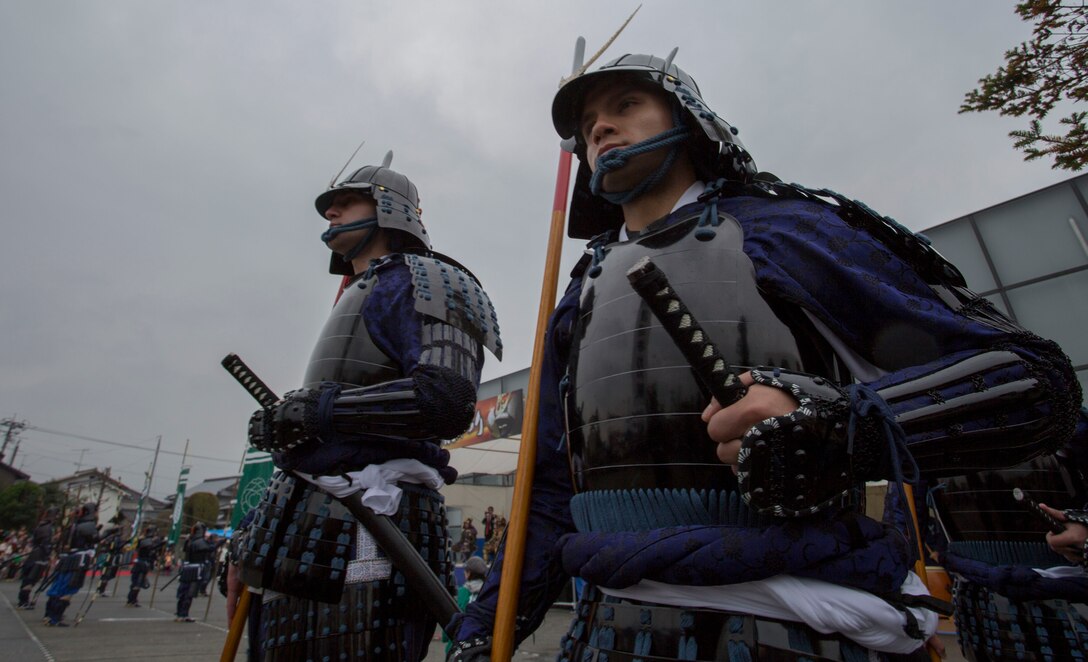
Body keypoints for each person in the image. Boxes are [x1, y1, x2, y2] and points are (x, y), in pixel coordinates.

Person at [448, 51, 1086, 661]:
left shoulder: (784, 228)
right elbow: (552, 487)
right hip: (602, 627)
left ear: (690, 119)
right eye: (587, 127)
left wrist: (836, 426)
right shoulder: (581, 287)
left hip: (792, 629)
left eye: (626, 103)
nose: (600, 128)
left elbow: (1036, 382)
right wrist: (485, 623)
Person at [237, 149, 501, 660]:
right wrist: (286, 423)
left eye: (347, 202)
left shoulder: (431, 280)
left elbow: (445, 401)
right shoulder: (360, 289)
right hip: (297, 520)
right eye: (330, 206)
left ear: (390, 208)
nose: (331, 213)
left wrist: (321, 412)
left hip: (375, 524)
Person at [43, 502, 98, 627]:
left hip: (67, 558)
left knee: (59, 587)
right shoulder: (88, 525)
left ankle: (49, 615)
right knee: (69, 588)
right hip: (78, 560)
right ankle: (55, 618)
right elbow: (94, 539)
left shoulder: (72, 525)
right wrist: (107, 534)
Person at [17, 506, 57, 609]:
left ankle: (23, 600)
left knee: (29, 579)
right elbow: (45, 543)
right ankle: (23, 601)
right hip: (39, 556)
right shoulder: (47, 528)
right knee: (31, 579)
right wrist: (48, 555)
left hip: (34, 554)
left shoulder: (40, 525)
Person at [176, 522, 214, 622]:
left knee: (184, 592)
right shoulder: (200, 542)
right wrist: (218, 542)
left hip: (186, 568)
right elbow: (209, 549)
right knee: (189, 593)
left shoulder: (189, 540)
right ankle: (183, 614)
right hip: (195, 569)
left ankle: (180, 613)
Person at [126, 525, 165, 607]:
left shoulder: (148, 540)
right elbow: (149, 547)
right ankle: (131, 600)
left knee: (138, 583)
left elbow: (153, 551)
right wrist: (159, 544)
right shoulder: (144, 540)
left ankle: (132, 600)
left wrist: (160, 545)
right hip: (142, 563)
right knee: (137, 583)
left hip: (145, 562)